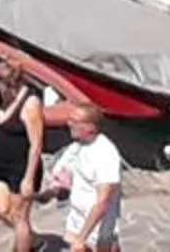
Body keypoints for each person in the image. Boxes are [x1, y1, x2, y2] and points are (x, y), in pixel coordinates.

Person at [0, 61, 47, 252]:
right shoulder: (1, 98)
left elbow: (36, 143)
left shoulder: (30, 103)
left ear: (10, 85)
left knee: (20, 218)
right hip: (2, 165)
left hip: (22, 166)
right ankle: (32, 240)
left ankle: (26, 244)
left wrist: (28, 178)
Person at [44, 102, 122, 252]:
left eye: (75, 121)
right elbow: (63, 176)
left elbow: (103, 201)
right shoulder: (77, 147)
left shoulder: (105, 154)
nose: (68, 124)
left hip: (98, 227)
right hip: (76, 221)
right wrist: (49, 192)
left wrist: (82, 237)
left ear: (90, 128)